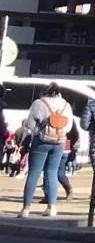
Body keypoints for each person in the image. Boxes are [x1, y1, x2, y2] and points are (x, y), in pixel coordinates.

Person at [17, 82, 74, 217]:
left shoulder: (38, 103)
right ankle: (52, 207)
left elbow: (30, 123)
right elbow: (69, 126)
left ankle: (26, 208)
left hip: (41, 141)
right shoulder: (66, 105)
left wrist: (38, 130)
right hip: (59, 142)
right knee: (52, 172)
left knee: (34, 173)